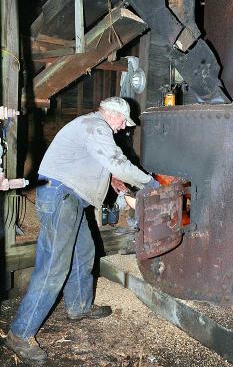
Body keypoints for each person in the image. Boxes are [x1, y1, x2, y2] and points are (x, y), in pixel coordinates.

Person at [5, 96, 156, 362]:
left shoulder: (91, 127)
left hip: (69, 198)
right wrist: (151, 184)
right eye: (123, 121)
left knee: (84, 252)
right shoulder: (97, 126)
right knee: (54, 265)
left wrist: (114, 180)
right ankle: (20, 333)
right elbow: (115, 160)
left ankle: (78, 307)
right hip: (60, 196)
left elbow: (96, 162)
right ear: (111, 114)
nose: (123, 127)